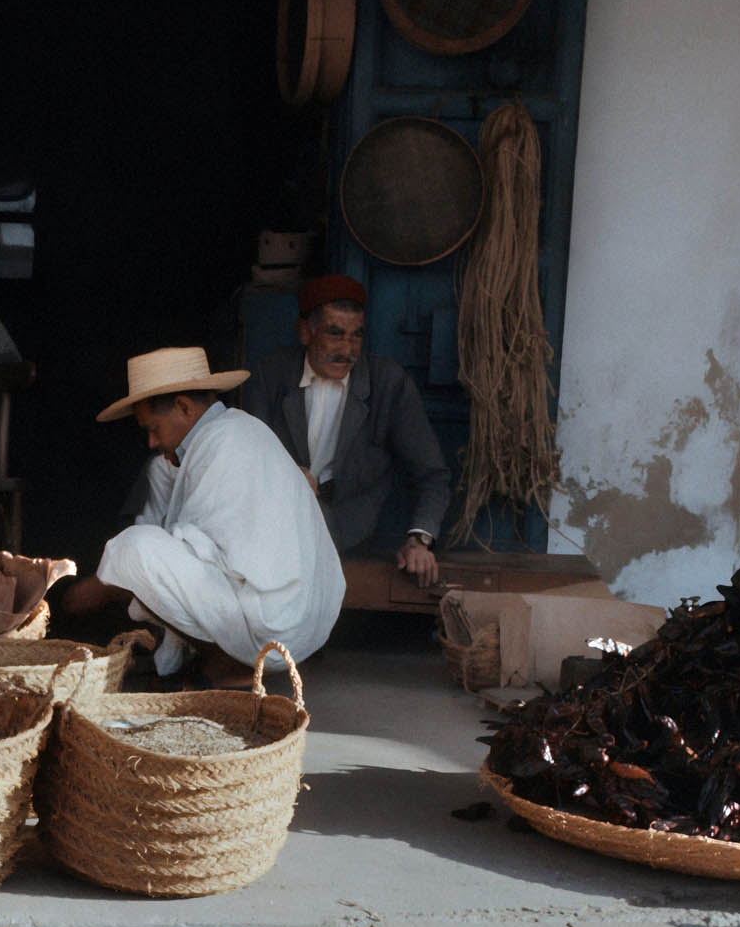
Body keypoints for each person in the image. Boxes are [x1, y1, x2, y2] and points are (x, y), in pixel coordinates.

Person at [64, 346, 345, 681]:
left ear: (184, 407)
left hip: (275, 628)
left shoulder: (224, 440)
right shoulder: (235, 430)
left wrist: (104, 586)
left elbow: (205, 556)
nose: (152, 442)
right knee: (144, 552)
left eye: (154, 428)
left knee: (131, 550)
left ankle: (228, 666)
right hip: (298, 624)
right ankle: (224, 660)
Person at [242, 274, 451, 588]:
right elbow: (245, 458)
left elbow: (432, 473)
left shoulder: (388, 383)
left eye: (356, 336)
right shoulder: (272, 373)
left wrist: (419, 539)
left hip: (348, 530)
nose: (347, 349)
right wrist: (286, 478)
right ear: (304, 332)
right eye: (335, 333)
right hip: (273, 522)